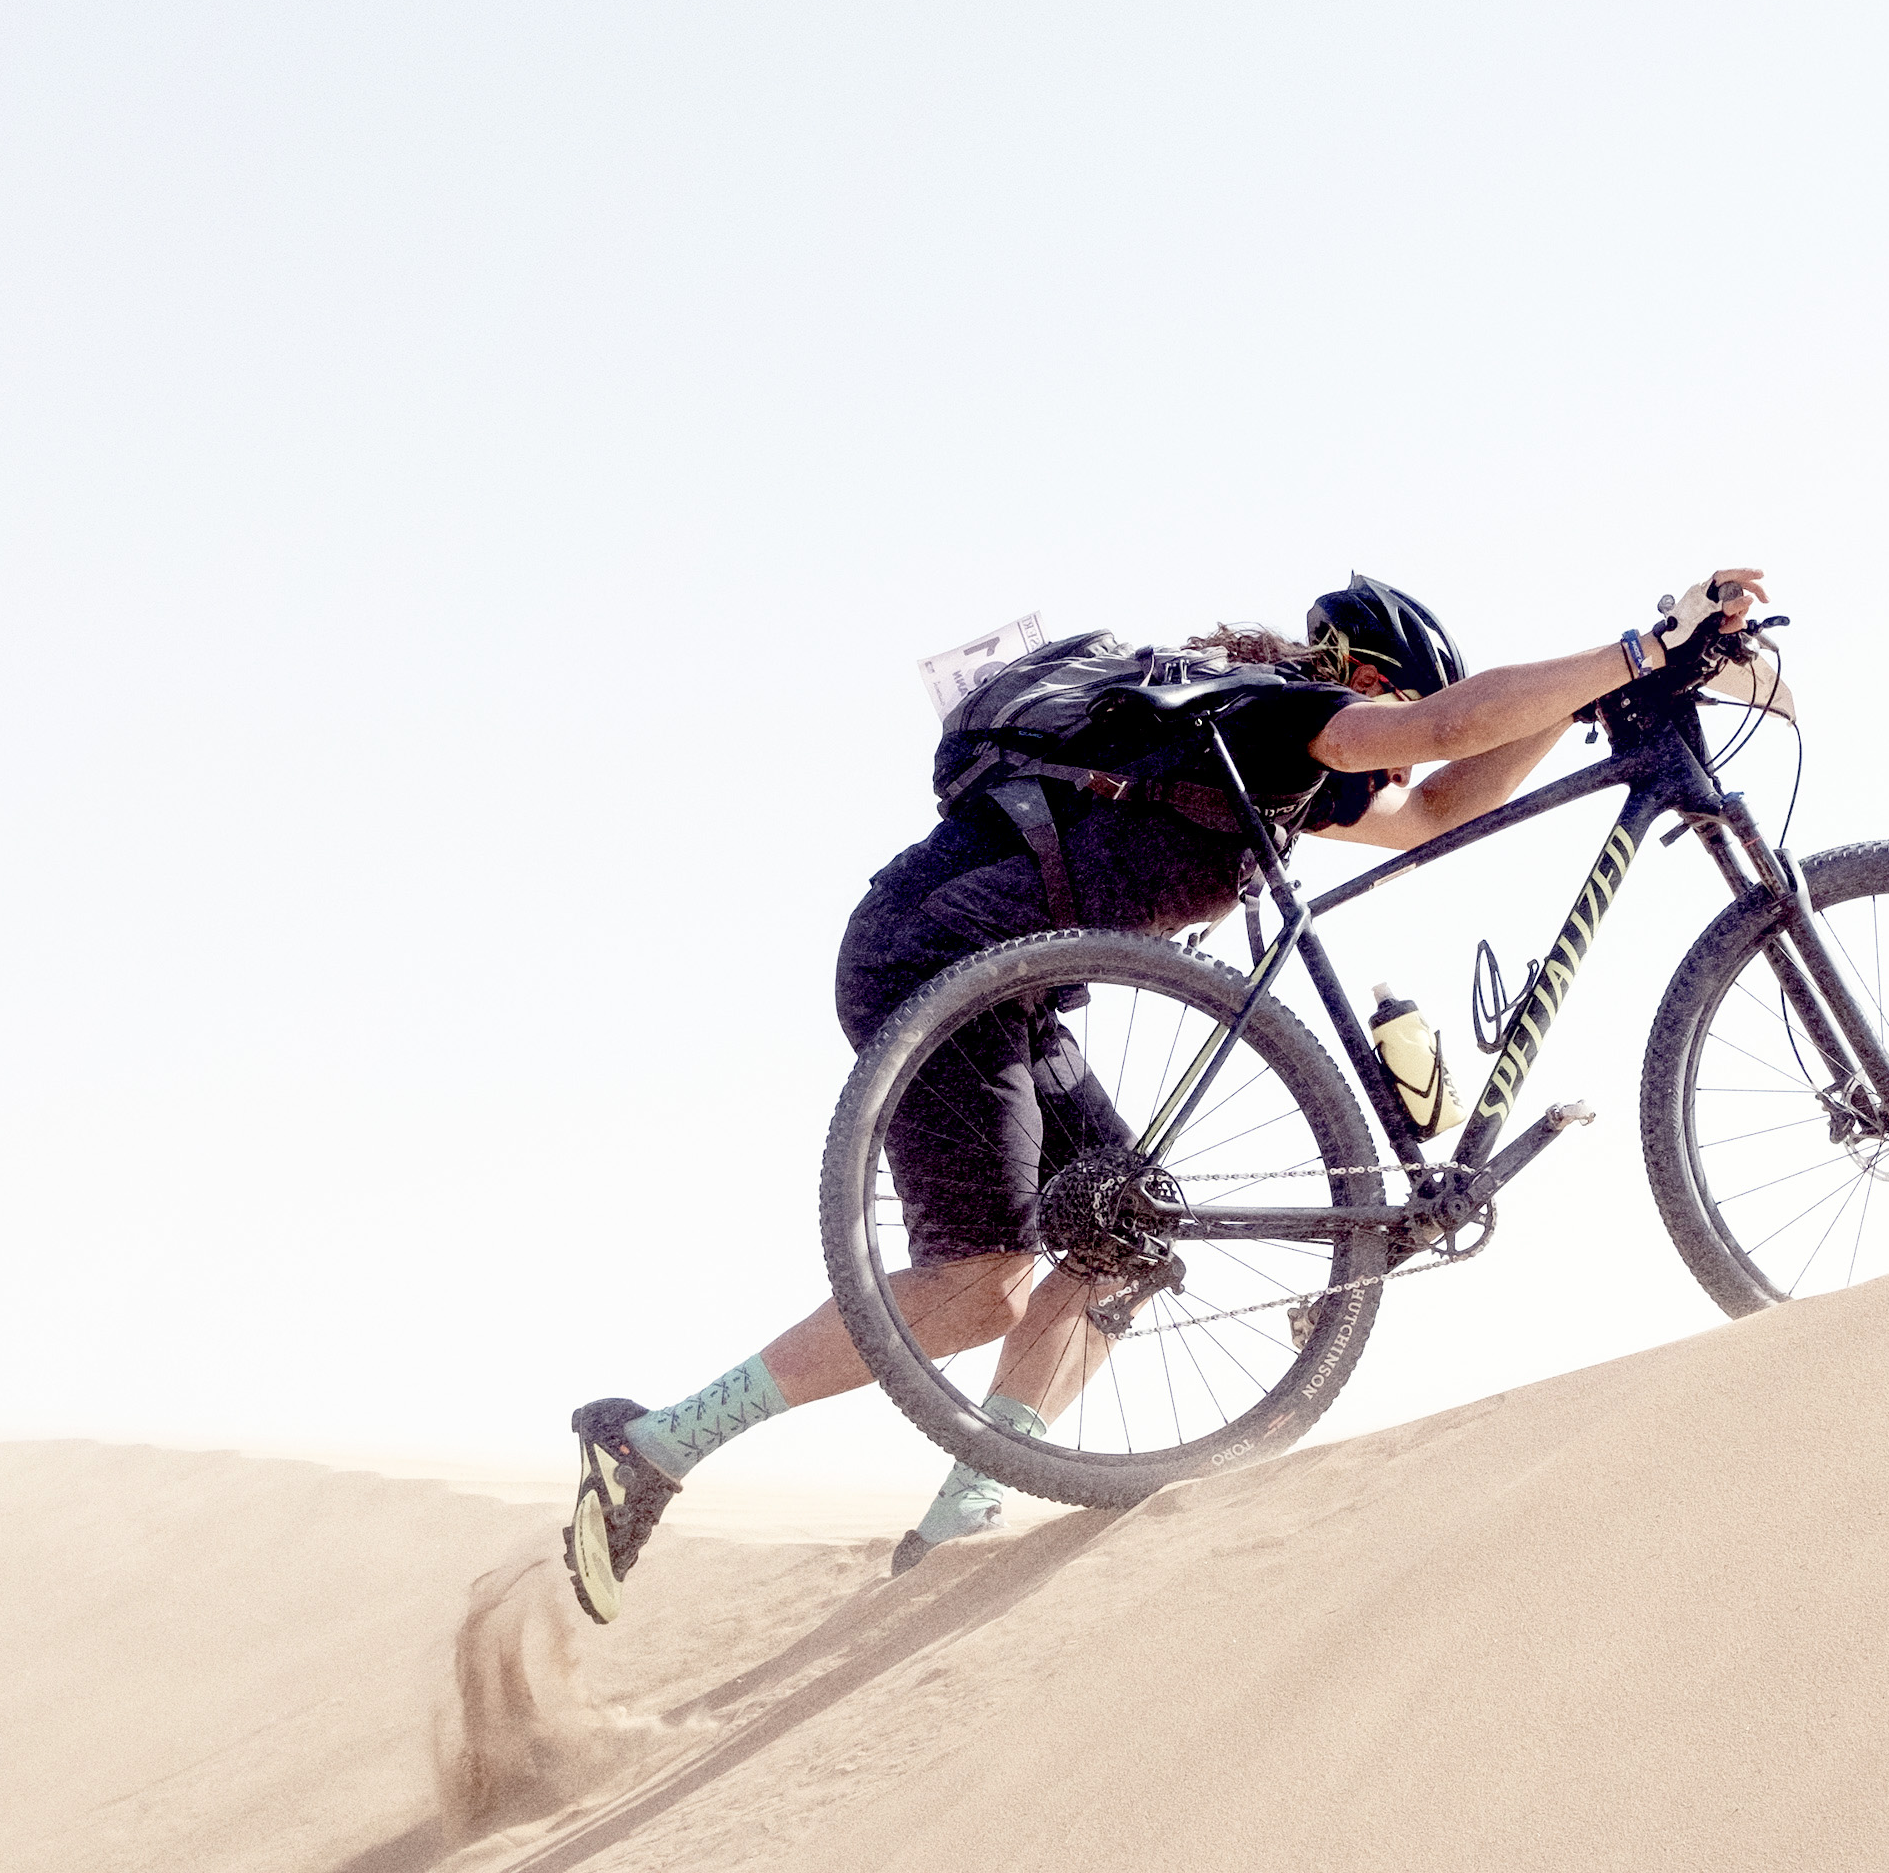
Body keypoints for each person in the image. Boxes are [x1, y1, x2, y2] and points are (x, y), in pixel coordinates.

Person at [568, 568, 1773, 1602]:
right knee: (979, 1286)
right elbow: (1443, 732)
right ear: (1359, 676)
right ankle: (659, 1444)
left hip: (1002, 983)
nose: (1399, 729)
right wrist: (1637, 649)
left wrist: (1594, 699)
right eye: (1393, 701)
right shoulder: (1270, 713)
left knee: (1121, 1243)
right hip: (934, 964)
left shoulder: (1251, 763)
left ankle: (958, 1515)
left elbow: (1434, 809)